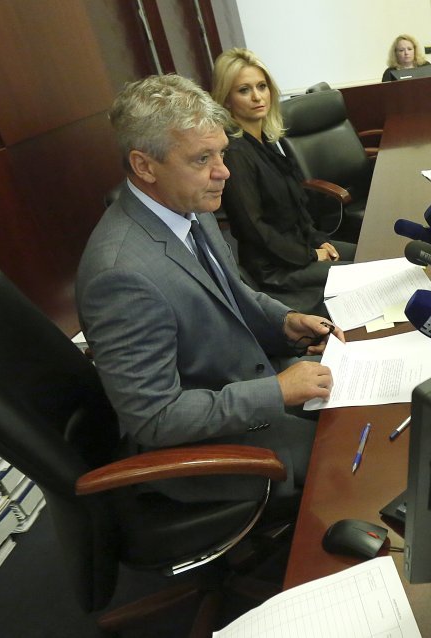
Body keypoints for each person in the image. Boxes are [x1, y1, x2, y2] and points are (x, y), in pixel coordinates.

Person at [76, 73, 343, 505]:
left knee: (367, 410)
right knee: (354, 457)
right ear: (145, 166)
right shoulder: (120, 276)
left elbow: (231, 293)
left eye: (221, 153)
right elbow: (155, 418)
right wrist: (276, 391)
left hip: (246, 380)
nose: (224, 172)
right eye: (202, 159)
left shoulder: (190, 205)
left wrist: (286, 321)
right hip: (210, 449)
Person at [211, 48, 356, 317]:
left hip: (301, 248)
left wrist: (319, 241)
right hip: (276, 268)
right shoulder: (235, 153)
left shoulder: (266, 141)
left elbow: (297, 208)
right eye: (244, 90)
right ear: (226, 100)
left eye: (262, 86)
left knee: (371, 255)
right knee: (363, 276)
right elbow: (254, 229)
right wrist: (311, 255)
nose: (257, 96)